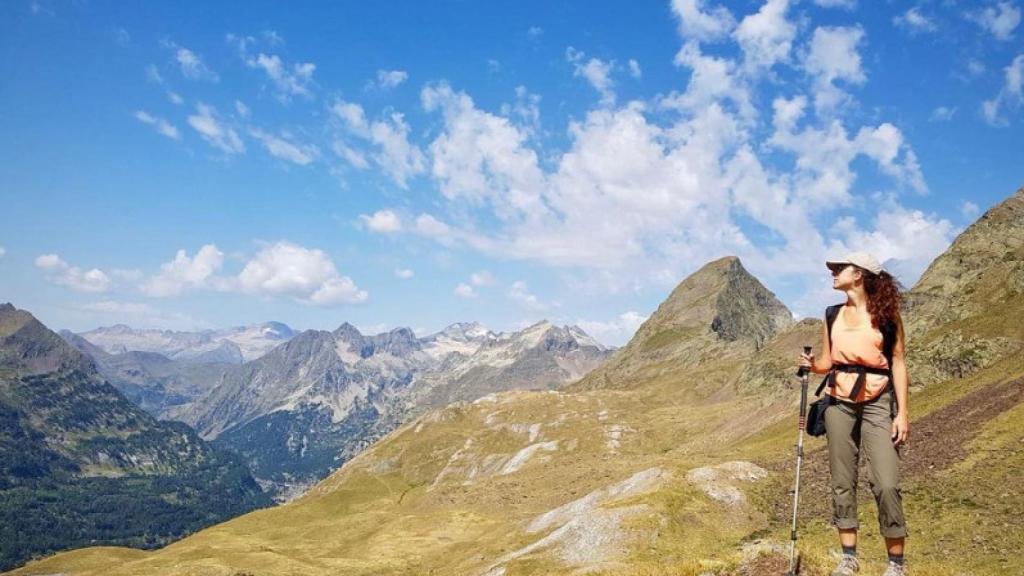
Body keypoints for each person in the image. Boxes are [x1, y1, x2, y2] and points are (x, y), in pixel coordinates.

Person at [798, 251, 910, 576]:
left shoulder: (888, 315)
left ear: (859, 274)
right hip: (838, 401)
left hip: (878, 400)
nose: (832, 272)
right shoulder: (831, 314)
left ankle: (896, 565)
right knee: (842, 481)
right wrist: (812, 366)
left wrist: (902, 413)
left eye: (839, 268)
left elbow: (899, 362)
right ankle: (849, 558)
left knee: (886, 483)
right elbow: (828, 362)